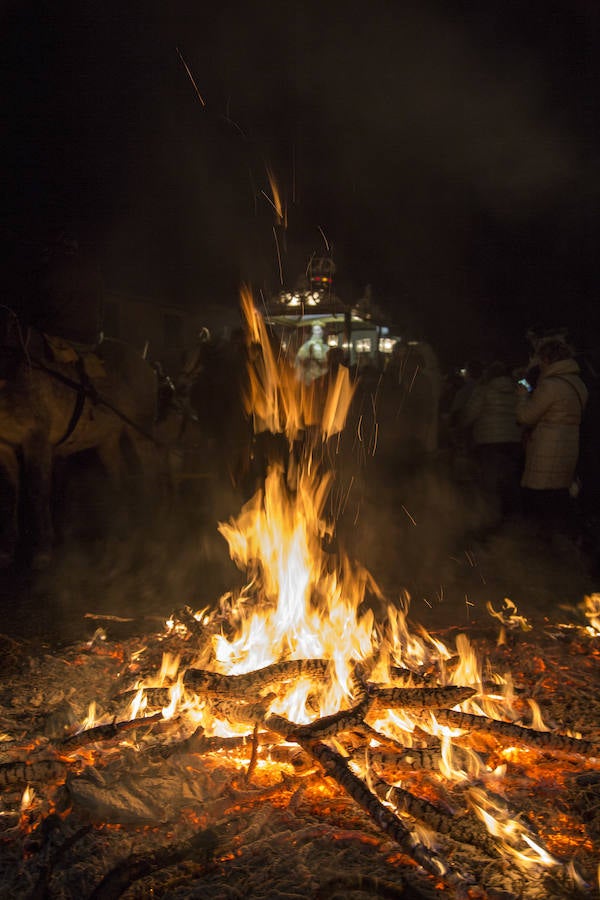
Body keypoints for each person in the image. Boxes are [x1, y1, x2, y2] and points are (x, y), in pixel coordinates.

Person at [516, 337, 588, 546]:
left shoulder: (550, 385)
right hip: (568, 450)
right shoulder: (578, 384)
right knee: (557, 501)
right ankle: (562, 550)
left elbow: (525, 417)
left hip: (546, 451)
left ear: (547, 359)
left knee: (539, 503)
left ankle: (541, 551)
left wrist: (522, 394)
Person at [461, 360, 523, 527]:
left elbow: (470, 414)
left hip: (489, 441)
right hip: (513, 441)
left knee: (489, 482)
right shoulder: (517, 390)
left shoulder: (484, 390)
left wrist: (463, 426)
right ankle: (511, 519)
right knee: (509, 480)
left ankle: (489, 519)